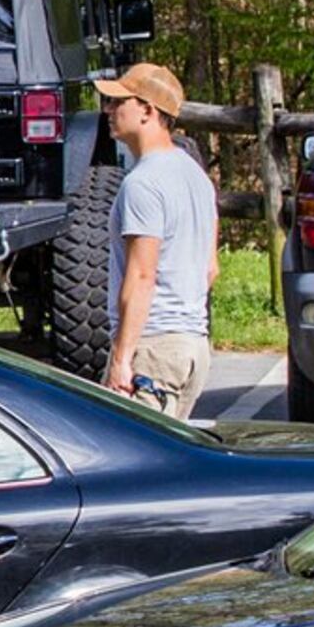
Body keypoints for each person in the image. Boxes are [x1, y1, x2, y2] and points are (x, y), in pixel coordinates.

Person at [93, 62, 216, 417]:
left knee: (131, 465)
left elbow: (142, 276)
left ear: (148, 110)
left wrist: (121, 359)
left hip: (153, 349)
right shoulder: (197, 177)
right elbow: (209, 269)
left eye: (119, 103)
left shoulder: (143, 183)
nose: (108, 111)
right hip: (192, 347)